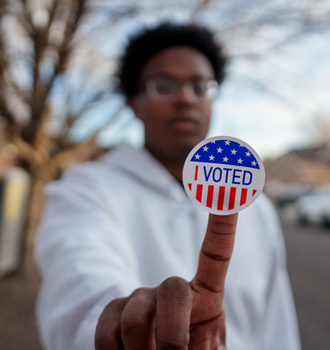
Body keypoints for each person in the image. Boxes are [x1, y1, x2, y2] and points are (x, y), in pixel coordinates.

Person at [35, 22, 301, 349]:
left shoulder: (256, 209)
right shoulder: (85, 190)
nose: (186, 98)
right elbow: (79, 284)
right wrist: (125, 324)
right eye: (164, 85)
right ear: (134, 103)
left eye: (200, 86)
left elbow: (277, 327)